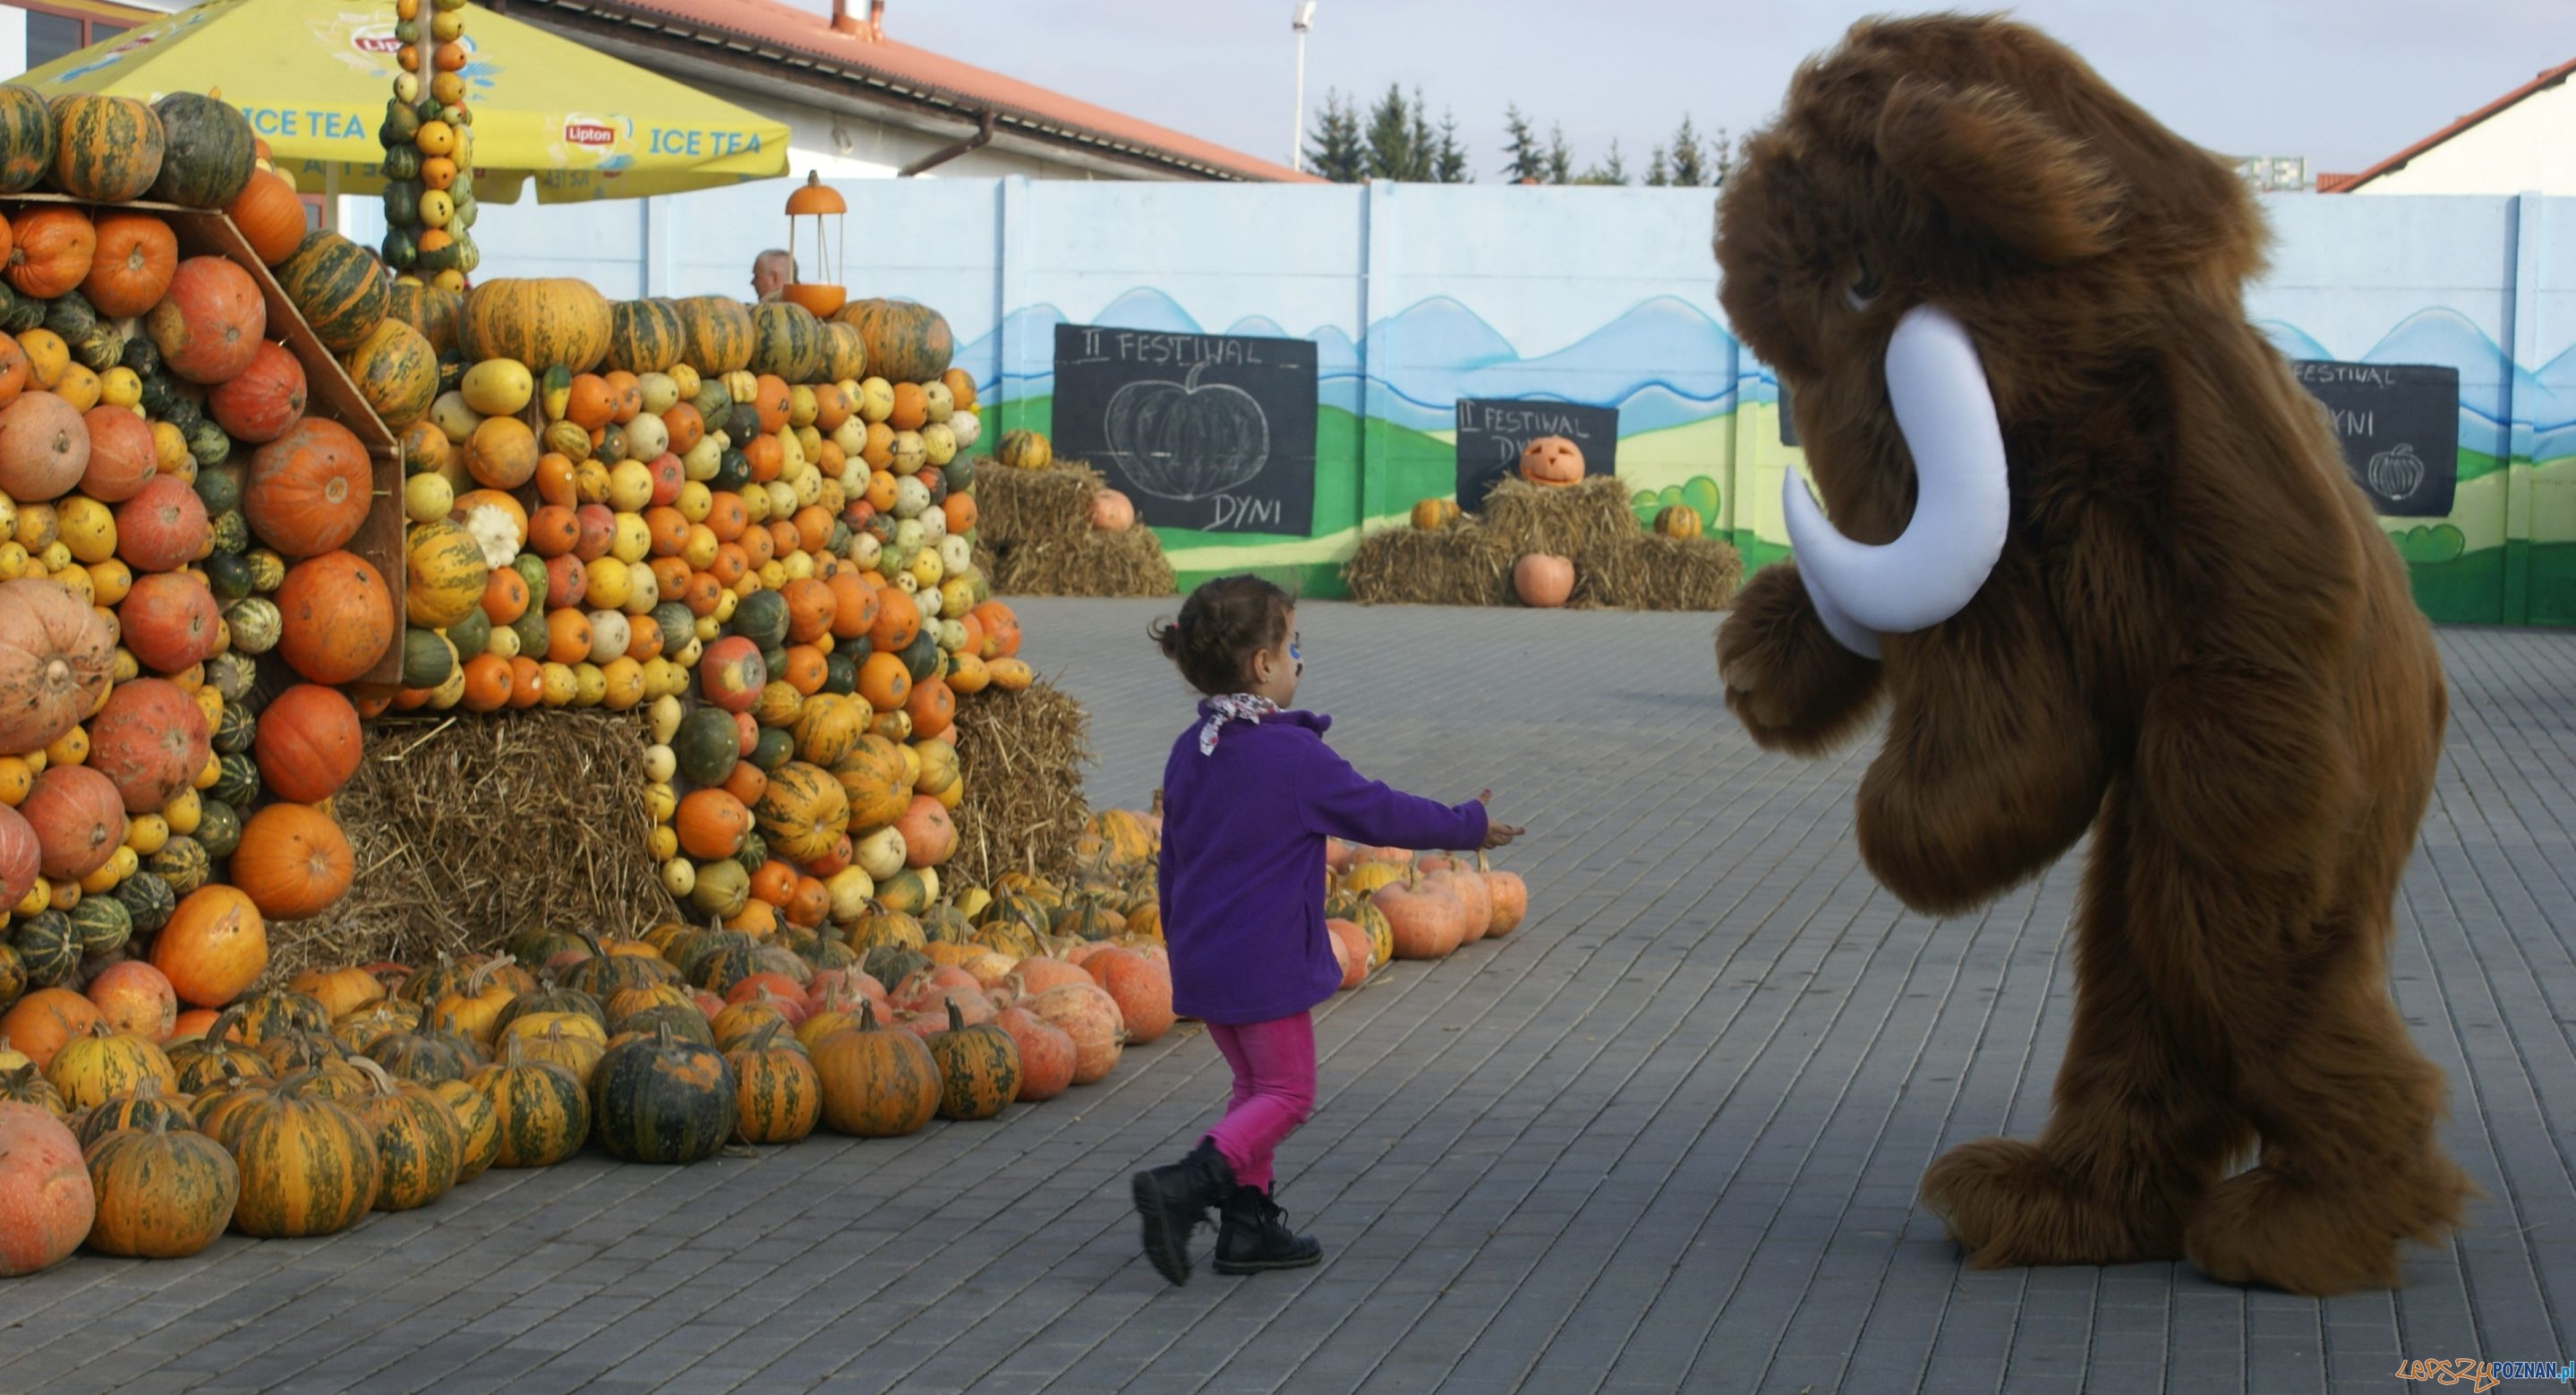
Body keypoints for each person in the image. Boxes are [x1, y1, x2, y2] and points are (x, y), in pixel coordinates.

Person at [1130, 576, 1522, 1285]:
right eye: (1293, 646)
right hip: (1265, 963)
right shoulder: (1292, 757)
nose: (1299, 661)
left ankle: (1248, 1231)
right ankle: (1188, 1185)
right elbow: (1380, 813)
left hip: (1204, 960)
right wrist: (1466, 822)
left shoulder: (1196, 748)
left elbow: (1172, 858)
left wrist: (1178, 945)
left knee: (1254, 1089)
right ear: (1262, 666)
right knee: (1288, 1093)